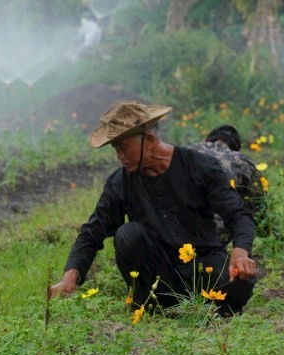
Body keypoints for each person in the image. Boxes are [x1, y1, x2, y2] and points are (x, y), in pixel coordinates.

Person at [49, 101, 257, 316]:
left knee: (242, 280)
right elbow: (92, 233)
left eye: (123, 146)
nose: (119, 156)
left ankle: (210, 305)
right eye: (115, 148)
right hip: (159, 275)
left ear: (148, 140)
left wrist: (241, 252)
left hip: (203, 264)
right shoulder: (120, 182)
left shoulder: (200, 166)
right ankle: (152, 306)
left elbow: (238, 214)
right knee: (128, 234)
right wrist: (70, 276)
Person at [190, 125, 266, 244]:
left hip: (174, 230)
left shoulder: (186, 152)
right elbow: (259, 205)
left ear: (205, 140)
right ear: (238, 150)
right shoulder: (242, 162)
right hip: (216, 236)